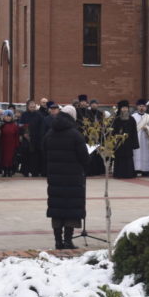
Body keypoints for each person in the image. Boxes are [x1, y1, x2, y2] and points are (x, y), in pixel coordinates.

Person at [44, 105, 89, 250]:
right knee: (71, 208)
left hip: (55, 177)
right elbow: (84, 157)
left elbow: (43, 150)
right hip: (73, 178)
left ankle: (58, 241)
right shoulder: (75, 134)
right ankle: (68, 241)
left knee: (57, 208)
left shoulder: (50, 132)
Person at [111, 101, 139, 179]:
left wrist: (135, 143)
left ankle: (129, 174)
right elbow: (112, 132)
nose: (125, 109)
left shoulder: (132, 119)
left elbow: (134, 132)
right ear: (120, 109)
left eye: (126, 108)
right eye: (123, 108)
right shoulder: (116, 119)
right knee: (119, 158)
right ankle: (119, 174)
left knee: (128, 158)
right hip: (118, 142)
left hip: (128, 142)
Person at [131, 99, 149, 176]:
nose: (142, 108)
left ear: (146, 108)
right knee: (136, 154)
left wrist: (147, 128)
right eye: (140, 106)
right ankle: (136, 169)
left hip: (145, 138)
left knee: (146, 154)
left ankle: (146, 170)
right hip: (136, 139)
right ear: (137, 107)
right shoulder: (133, 117)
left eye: (143, 106)